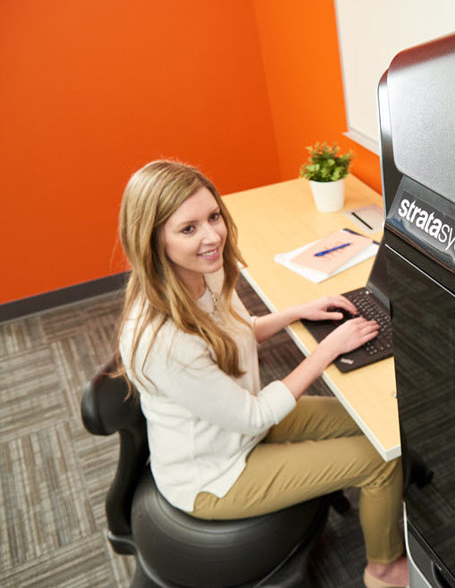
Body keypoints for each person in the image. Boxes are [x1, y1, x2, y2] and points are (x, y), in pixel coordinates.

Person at [116, 160, 408, 588]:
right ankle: (382, 571)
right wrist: (328, 348)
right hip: (215, 473)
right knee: (381, 462)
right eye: (188, 228)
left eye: (213, 217)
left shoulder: (201, 273)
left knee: (379, 426)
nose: (212, 236)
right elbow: (253, 414)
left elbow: (239, 330)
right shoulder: (165, 341)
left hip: (237, 427)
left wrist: (296, 312)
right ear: (152, 238)